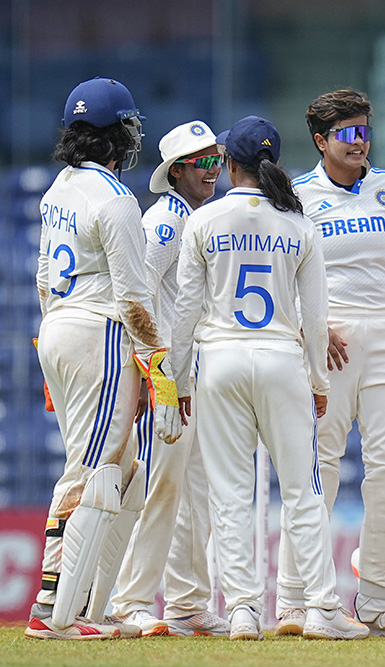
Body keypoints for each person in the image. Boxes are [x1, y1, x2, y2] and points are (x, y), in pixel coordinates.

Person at [171, 116, 368, 642]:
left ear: (228, 164)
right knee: (303, 491)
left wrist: (179, 382)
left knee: (230, 494)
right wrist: (320, 382)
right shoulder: (298, 223)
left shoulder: (205, 221)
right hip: (282, 359)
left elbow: (186, 309)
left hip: (220, 361)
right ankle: (322, 609)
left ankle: (241, 611)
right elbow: (317, 317)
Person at [25, 77, 183, 641]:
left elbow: (44, 278)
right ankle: (53, 613)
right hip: (102, 335)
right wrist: (160, 376)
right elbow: (135, 301)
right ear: (121, 135)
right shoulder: (116, 200)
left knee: (125, 474)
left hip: (59, 329)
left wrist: (51, 342)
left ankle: (91, 606)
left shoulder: (57, 189)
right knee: (92, 471)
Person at [278, 89, 385, 638]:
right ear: (321, 141)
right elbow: (286, 274)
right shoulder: (296, 196)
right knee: (315, 469)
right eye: (347, 132)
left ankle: (378, 602)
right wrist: (309, 328)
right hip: (331, 339)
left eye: (364, 129)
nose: (359, 141)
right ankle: (297, 602)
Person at [109, 121, 230, 637]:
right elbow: (134, 295)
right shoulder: (166, 221)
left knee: (194, 491)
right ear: (176, 171)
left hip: (194, 371)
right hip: (169, 377)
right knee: (164, 486)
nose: (212, 171)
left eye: (217, 160)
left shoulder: (195, 218)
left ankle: (186, 603)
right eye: (201, 163)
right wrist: (154, 376)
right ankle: (129, 600)